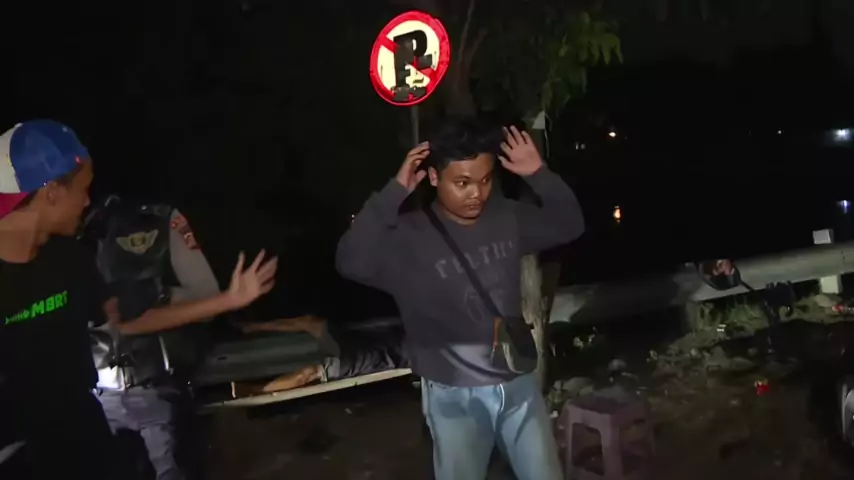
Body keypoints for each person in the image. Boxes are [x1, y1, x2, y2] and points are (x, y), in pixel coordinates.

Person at [335, 118, 585, 480]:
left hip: (517, 383)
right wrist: (393, 192)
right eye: (463, 183)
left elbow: (569, 225)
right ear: (433, 177)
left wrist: (538, 174)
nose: (476, 194)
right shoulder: (408, 238)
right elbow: (350, 261)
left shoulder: (506, 216)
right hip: (453, 396)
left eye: (485, 180)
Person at [88, 201, 277, 480]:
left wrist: (161, 297)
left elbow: (203, 299)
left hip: (156, 390)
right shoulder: (74, 235)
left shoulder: (160, 219)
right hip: (95, 398)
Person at [230, 315, 409, 397]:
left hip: (362, 360)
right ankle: (252, 327)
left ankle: (255, 390)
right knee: (310, 321)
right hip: (362, 341)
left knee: (308, 373)